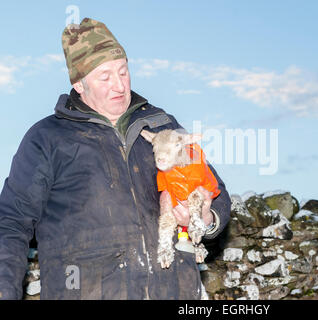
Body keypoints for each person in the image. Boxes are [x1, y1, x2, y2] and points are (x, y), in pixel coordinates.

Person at [0, 17, 231, 300]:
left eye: (123, 72)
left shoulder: (161, 126)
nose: (120, 86)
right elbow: (10, 222)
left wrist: (207, 216)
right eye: (105, 77)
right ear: (79, 84)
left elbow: (215, 191)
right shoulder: (47, 138)